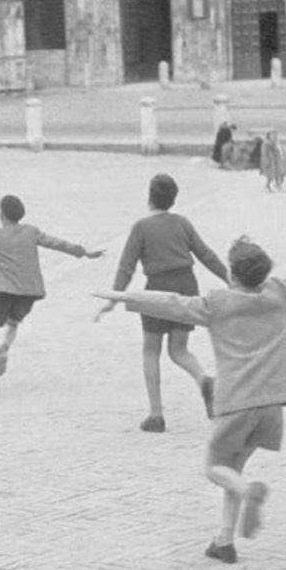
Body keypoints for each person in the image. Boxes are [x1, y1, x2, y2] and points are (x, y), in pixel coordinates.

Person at [94, 218, 286, 564]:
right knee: (234, 468)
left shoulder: (218, 304)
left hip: (236, 405)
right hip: (272, 406)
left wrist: (124, 296)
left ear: (232, 275)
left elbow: (171, 303)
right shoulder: (281, 294)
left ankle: (249, 492)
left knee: (215, 468)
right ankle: (224, 542)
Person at [0, 195, 105, 398]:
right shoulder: (31, 231)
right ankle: (5, 347)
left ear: (1, 215)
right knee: (13, 324)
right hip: (28, 292)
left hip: (2, 291)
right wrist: (84, 252)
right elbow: (57, 243)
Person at [96, 174, 229, 432]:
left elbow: (126, 267)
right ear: (173, 199)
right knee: (179, 350)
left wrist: (114, 298)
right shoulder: (182, 223)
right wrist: (229, 278)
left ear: (149, 197)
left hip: (156, 290)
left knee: (151, 350)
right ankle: (204, 380)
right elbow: (206, 255)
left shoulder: (141, 228)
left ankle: (156, 415)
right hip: (186, 287)